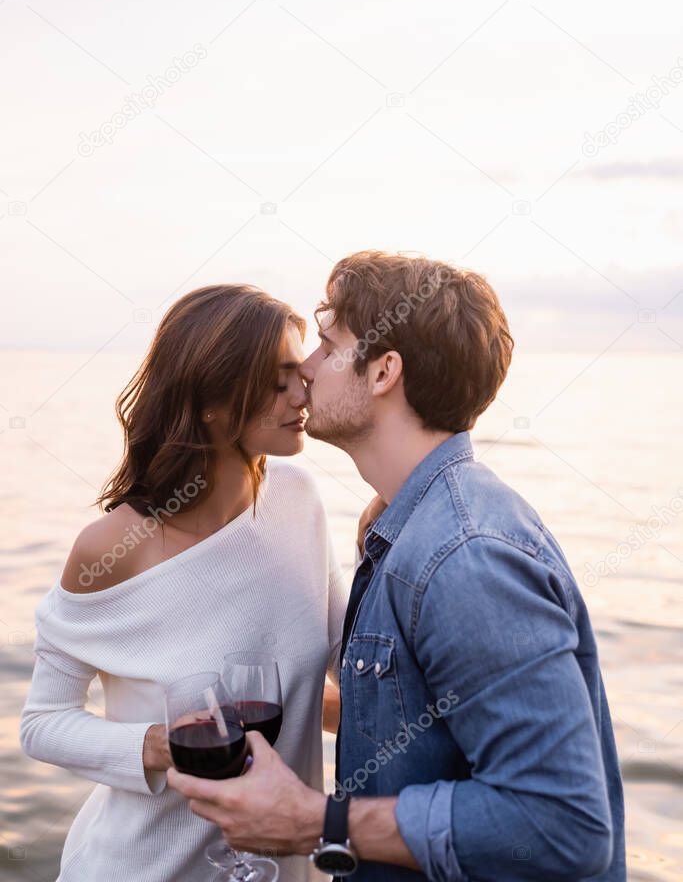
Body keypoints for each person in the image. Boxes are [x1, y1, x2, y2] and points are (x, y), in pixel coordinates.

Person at [168, 251, 626, 882]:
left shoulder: (466, 559)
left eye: (327, 346)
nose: (304, 366)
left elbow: (563, 825)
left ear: (383, 372)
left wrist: (317, 822)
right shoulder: (408, 531)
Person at [20, 283, 350, 882]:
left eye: (300, 372)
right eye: (279, 382)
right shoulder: (109, 550)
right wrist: (157, 747)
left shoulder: (299, 502)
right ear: (210, 403)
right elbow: (43, 723)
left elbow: (340, 667)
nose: (304, 391)